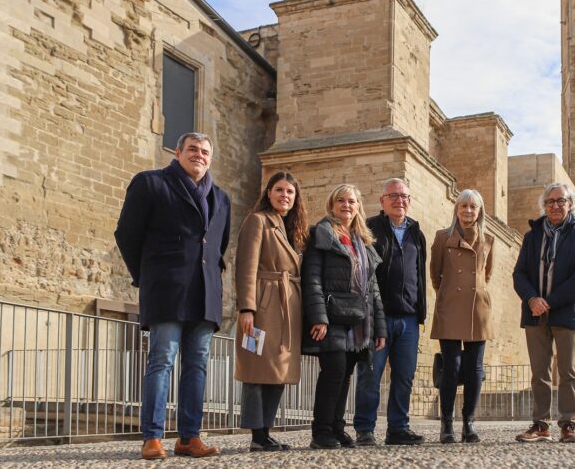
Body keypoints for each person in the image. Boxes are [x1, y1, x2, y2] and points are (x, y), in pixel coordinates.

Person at [114, 132, 230, 460]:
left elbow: (217, 246)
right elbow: (127, 234)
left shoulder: (221, 197)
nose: (199, 155)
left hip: (205, 292)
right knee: (161, 360)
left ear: (211, 158)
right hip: (166, 288)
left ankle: (189, 438)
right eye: (192, 149)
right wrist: (147, 275)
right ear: (178, 152)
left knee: (197, 365)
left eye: (205, 152)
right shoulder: (150, 183)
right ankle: (152, 437)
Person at [302, 184, 387, 449]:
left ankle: (337, 428)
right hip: (331, 314)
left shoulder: (364, 242)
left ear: (358, 206)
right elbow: (312, 278)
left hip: (358, 319)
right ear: (332, 204)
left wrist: (379, 329)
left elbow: (373, 288)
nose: (346, 205)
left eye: (351, 201)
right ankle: (322, 431)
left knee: (346, 372)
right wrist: (319, 317)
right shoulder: (321, 234)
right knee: (334, 371)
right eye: (341, 201)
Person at [512, 182, 575, 444]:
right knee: (539, 372)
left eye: (561, 201)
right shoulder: (532, 236)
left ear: (570, 205)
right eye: (550, 202)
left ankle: (568, 424)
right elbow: (520, 273)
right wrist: (532, 298)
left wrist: (550, 301)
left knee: (568, 372)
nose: (556, 205)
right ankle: (541, 424)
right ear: (544, 206)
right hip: (535, 313)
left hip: (567, 313)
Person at [234, 172, 309, 451]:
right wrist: (247, 308)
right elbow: (246, 267)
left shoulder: (294, 229)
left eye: (290, 192)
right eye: (279, 190)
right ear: (268, 193)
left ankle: (266, 429)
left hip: (288, 304)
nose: (284, 196)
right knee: (256, 367)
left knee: (279, 369)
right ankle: (257, 434)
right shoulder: (258, 221)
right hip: (264, 303)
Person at [353, 178, 427, 447]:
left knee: (404, 376)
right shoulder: (370, 228)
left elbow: (420, 274)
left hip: (408, 318)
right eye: (393, 196)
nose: (399, 200)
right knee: (370, 375)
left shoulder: (417, 234)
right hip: (377, 317)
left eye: (404, 196)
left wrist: (421, 313)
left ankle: (398, 428)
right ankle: (364, 428)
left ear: (409, 200)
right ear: (382, 201)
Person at [430, 189, 494, 444]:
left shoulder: (488, 239)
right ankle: (447, 423)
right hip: (450, 306)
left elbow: (486, 275)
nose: (468, 211)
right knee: (451, 367)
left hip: (478, 308)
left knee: (475, 368)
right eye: (463, 206)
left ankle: (469, 423)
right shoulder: (442, 237)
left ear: (479, 211)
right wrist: (447, 295)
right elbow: (435, 274)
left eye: (473, 207)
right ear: (456, 209)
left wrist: (475, 293)